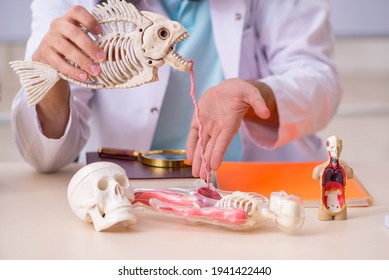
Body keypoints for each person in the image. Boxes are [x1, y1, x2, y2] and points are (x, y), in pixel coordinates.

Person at [11, 0, 342, 181]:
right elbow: (43, 155)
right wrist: (51, 75)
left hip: (264, 184)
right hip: (126, 193)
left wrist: (253, 95)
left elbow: (319, 81)